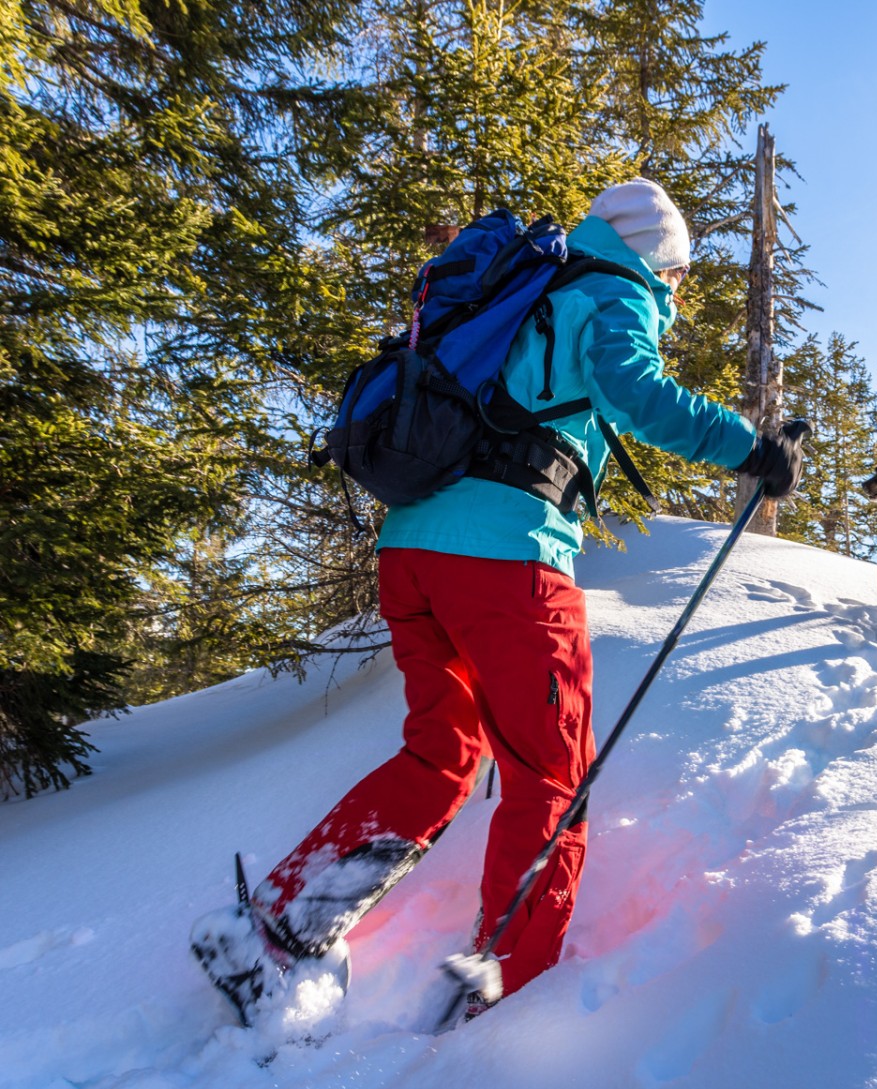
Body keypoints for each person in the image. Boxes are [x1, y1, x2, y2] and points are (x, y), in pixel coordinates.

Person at [190, 177, 803, 1023]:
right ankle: (510, 988)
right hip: (507, 562)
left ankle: (279, 926)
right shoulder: (614, 288)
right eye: (683, 273)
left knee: (440, 753)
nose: (680, 290)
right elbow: (633, 388)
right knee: (550, 771)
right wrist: (749, 446)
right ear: (660, 256)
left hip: (410, 555)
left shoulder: (529, 287)